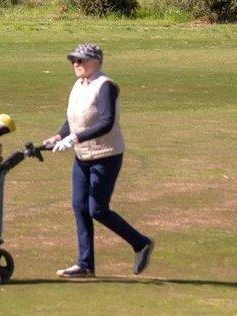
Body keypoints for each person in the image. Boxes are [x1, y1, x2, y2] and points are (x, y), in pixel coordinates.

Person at [42, 43, 153, 279]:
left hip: (106, 155)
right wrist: (60, 135)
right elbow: (73, 119)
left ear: (96, 62)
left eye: (80, 60)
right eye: (73, 60)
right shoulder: (79, 85)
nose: (76, 64)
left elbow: (106, 122)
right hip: (83, 155)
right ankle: (85, 265)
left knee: (98, 209)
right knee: (80, 207)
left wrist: (74, 138)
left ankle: (141, 243)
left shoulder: (105, 86)